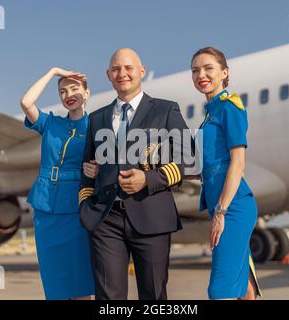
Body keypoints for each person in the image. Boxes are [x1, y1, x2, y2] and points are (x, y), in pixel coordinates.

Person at [78, 48, 193, 300]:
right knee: (109, 298)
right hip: (106, 219)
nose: (123, 74)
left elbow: (188, 159)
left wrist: (148, 179)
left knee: (153, 294)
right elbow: (87, 169)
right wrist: (86, 206)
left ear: (141, 71)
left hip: (151, 214)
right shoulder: (96, 119)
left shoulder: (165, 110)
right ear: (108, 75)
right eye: (116, 69)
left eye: (129, 68)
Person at [20, 67, 98, 300]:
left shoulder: (96, 128)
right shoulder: (50, 123)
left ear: (87, 93)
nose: (68, 94)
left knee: (80, 281)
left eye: (74, 88)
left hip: (77, 207)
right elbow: (26, 102)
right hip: (46, 207)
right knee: (55, 282)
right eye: (62, 91)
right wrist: (53, 72)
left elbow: (106, 165)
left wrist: (96, 170)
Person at [190, 47, 262, 300]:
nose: (201, 75)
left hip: (232, 207)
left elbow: (237, 163)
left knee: (220, 290)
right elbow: (203, 168)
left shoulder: (229, 107)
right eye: (196, 70)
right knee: (244, 289)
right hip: (224, 205)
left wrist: (220, 211)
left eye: (208, 68)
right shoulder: (210, 113)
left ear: (224, 72)